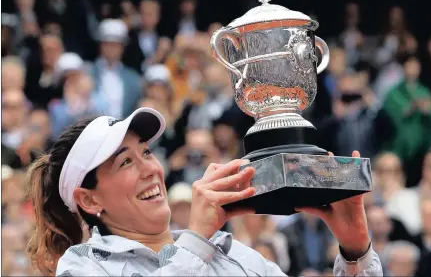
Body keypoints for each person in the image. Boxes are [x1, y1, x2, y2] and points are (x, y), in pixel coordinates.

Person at [26, 107, 383, 276]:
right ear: (89, 200)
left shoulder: (236, 256)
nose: (151, 169)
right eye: (125, 162)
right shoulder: (82, 267)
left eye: (146, 152)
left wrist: (356, 253)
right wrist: (195, 239)